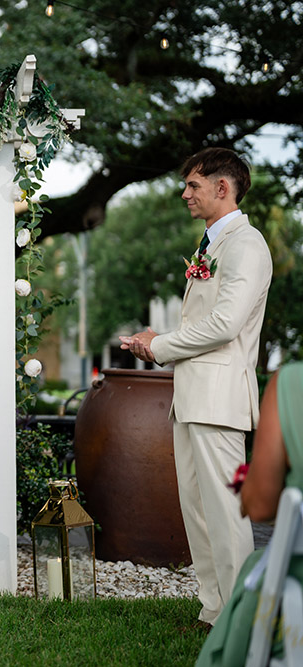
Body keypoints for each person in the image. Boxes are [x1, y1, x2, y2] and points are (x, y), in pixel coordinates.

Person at [120, 147, 273, 626]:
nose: (185, 194)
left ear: (222, 188)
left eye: (193, 185)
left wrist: (159, 344)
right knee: (199, 511)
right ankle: (215, 609)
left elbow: (226, 324)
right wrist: (154, 343)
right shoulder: (211, 246)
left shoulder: (246, 245)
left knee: (227, 514)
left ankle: (245, 618)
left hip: (220, 399)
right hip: (192, 399)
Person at [196, 365, 303, 665]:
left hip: (299, 595)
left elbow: (259, 507)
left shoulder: (291, 384)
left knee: (256, 571)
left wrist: (251, 487)